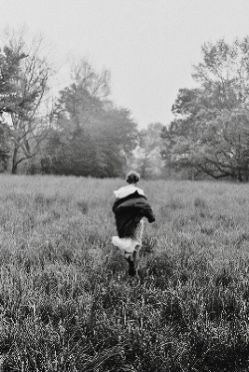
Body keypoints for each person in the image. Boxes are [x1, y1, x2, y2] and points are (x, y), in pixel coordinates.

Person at [112, 171, 155, 276]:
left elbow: (115, 208)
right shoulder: (139, 192)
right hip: (137, 222)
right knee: (136, 243)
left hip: (123, 223)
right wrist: (150, 217)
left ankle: (128, 258)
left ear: (127, 180)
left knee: (126, 241)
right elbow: (145, 206)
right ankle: (134, 267)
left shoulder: (121, 192)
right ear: (137, 180)